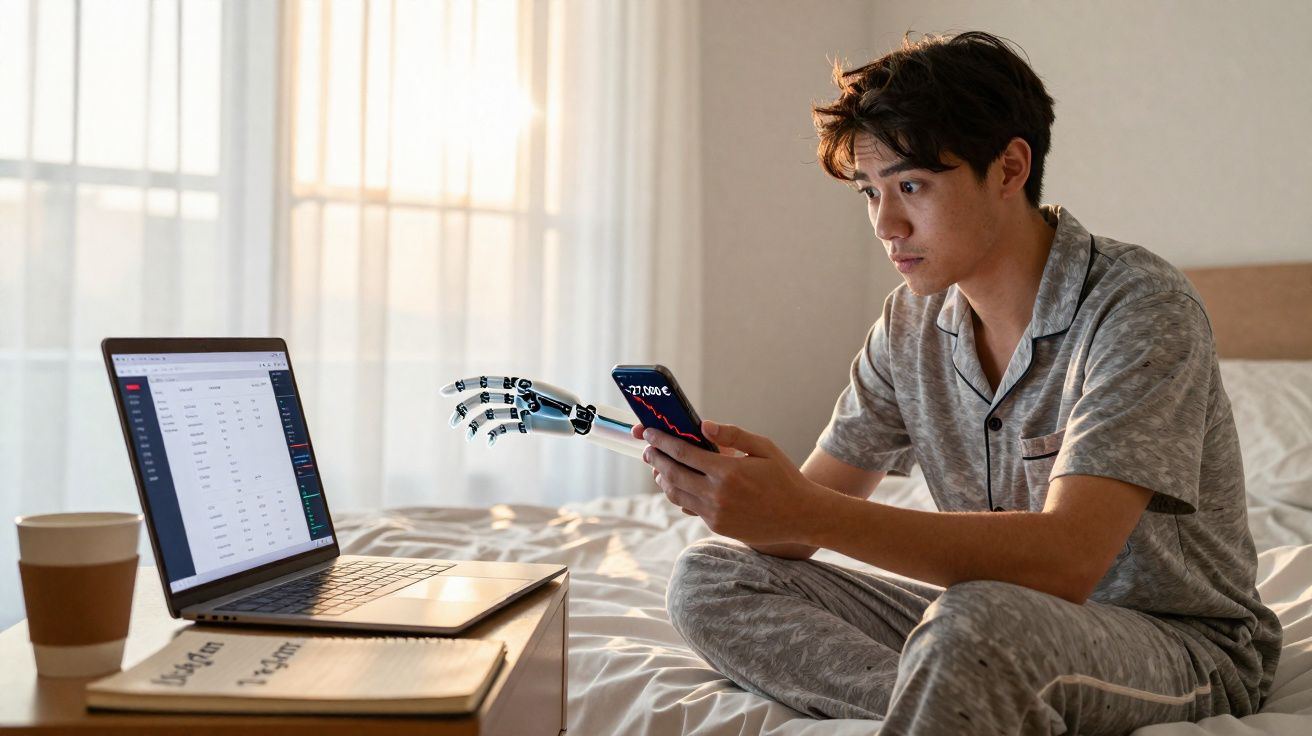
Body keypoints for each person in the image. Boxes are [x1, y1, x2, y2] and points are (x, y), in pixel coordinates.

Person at [633, 30, 1280, 735]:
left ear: (1008, 169)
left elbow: (1067, 563)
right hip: (985, 628)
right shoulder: (910, 325)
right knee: (708, 579)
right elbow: (801, 528)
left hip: (1178, 644)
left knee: (976, 622)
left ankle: (963, 691)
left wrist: (803, 512)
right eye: (870, 192)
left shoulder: (1140, 308)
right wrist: (744, 493)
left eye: (911, 185)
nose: (886, 224)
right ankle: (949, 705)